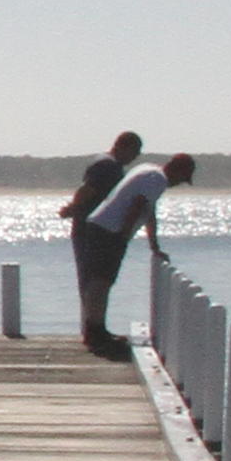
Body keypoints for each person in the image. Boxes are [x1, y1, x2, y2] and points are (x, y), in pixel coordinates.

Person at [76, 147, 196, 354]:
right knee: (100, 282)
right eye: (183, 178)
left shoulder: (147, 169)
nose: (179, 184)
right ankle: (94, 332)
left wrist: (154, 246)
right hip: (109, 230)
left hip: (100, 225)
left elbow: (149, 213)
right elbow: (138, 205)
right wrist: (123, 235)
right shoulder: (157, 180)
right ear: (178, 171)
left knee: (101, 281)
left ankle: (97, 329)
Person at [64, 131, 141, 345]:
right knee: (95, 280)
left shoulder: (106, 163)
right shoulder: (108, 166)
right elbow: (86, 190)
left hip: (90, 226)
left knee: (92, 279)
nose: (134, 158)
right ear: (122, 147)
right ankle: (94, 331)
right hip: (90, 229)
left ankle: (95, 329)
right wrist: (73, 208)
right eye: (134, 153)